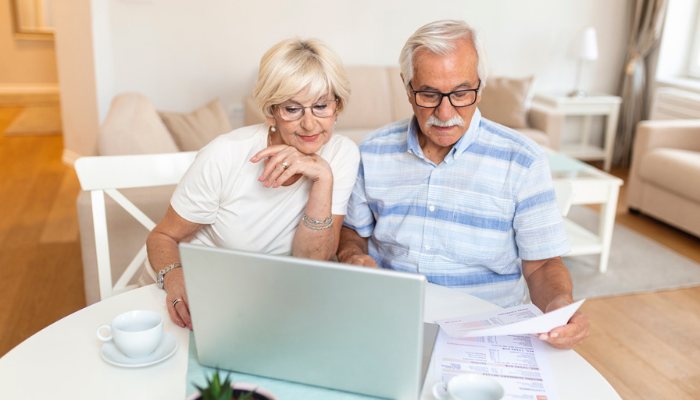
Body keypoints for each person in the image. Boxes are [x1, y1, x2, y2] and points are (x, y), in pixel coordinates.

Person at [337, 20, 589, 349]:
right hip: (390, 319)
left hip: (488, 333)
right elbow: (352, 233)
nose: (445, 112)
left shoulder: (523, 160)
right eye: (428, 93)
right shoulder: (372, 151)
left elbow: (542, 264)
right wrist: (351, 255)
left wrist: (558, 304)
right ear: (407, 85)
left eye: (461, 93)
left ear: (480, 87)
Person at [147, 38, 359, 330]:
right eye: (292, 109)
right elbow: (162, 237)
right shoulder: (225, 154)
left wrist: (322, 176)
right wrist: (175, 279)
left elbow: (316, 260)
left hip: (275, 300)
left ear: (339, 106)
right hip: (204, 294)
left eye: (321, 106)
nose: (310, 124)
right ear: (271, 111)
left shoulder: (341, 154)